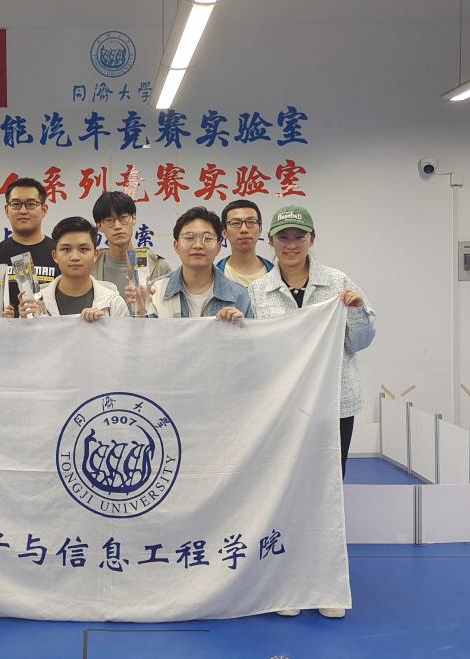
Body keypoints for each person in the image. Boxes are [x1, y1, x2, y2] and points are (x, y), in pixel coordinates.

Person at [249, 204, 376, 620]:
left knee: (327, 493)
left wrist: (356, 309)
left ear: (312, 240)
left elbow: (360, 341)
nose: (291, 245)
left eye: (298, 237)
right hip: (284, 409)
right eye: (283, 237)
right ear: (271, 241)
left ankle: (326, 583)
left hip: (333, 406)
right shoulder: (258, 291)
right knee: (284, 491)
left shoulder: (337, 282)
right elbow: (254, 352)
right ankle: (288, 582)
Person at [128, 207, 252, 320]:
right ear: (176, 246)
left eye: (207, 238)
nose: (198, 245)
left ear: (218, 247)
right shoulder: (156, 291)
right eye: (189, 238)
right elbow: (145, 336)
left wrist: (239, 328)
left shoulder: (238, 295)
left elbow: (250, 337)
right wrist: (140, 311)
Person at [19, 217, 129, 320]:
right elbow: (25, 335)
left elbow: (126, 335)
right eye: (66, 249)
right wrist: (25, 322)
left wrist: (103, 325)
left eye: (83, 249)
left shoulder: (114, 303)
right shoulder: (36, 303)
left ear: (96, 255)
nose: (75, 257)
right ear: (54, 256)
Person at [0, 177, 59, 315]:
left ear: (44, 210)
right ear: (7, 210)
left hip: (51, 328)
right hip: (3, 328)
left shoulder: (60, 253)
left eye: (31, 204)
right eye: (16, 204)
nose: (23, 211)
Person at [90, 191, 172, 295]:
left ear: (134, 218)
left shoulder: (158, 267)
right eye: (109, 220)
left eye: (123, 218)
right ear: (99, 226)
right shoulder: (90, 268)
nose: (117, 226)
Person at [215, 199, 275, 288]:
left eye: (251, 222)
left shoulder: (276, 274)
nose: (244, 229)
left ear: (260, 229)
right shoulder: (212, 276)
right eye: (235, 223)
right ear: (224, 232)